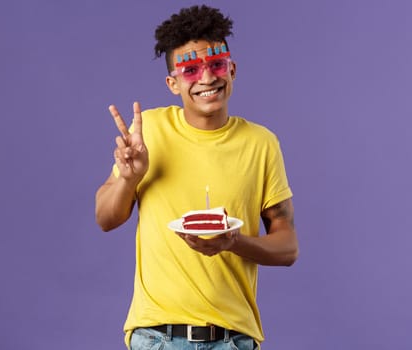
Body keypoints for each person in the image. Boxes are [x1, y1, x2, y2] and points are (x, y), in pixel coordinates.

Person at [95, 5, 299, 349]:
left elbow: (288, 247)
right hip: (157, 336)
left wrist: (232, 242)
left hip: (233, 339)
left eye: (216, 65)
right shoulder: (151, 131)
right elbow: (105, 218)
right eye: (190, 70)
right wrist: (129, 179)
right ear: (172, 83)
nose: (207, 79)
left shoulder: (261, 143)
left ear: (231, 69)